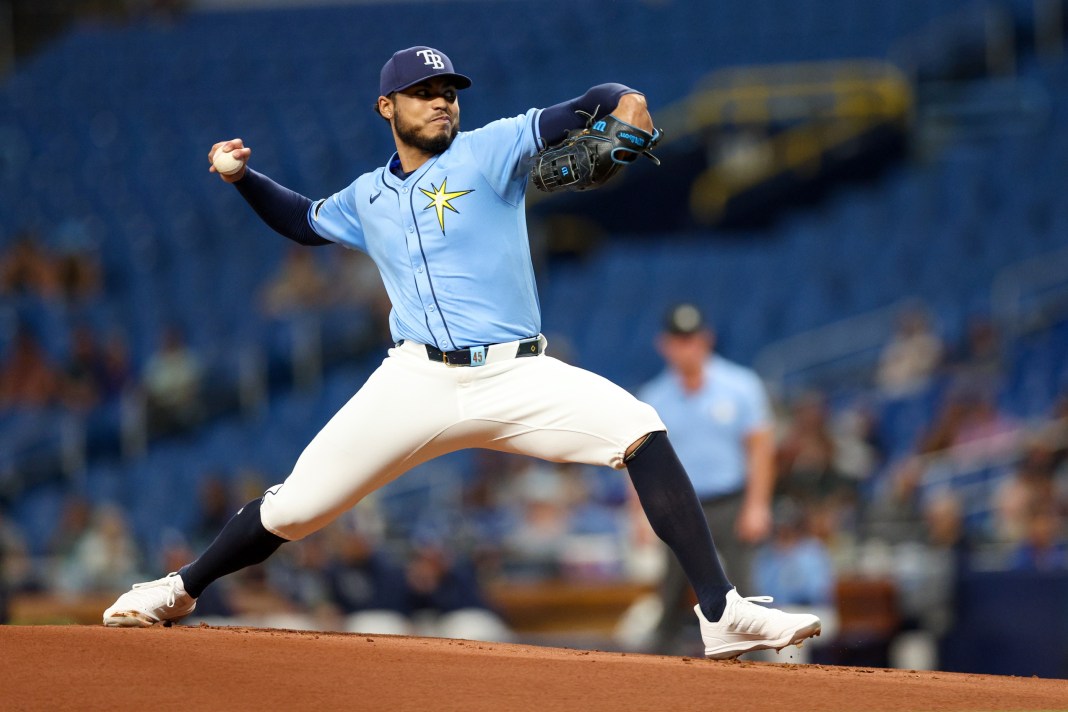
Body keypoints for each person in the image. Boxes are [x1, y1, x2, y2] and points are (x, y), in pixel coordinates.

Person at [102, 46, 820, 659]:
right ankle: (179, 588)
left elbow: (601, 100)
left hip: (516, 372)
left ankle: (719, 613)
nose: (442, 102)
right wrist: (241, 179)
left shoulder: (495, 145)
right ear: (387, 106)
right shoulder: (366, 196)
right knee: (296, 509)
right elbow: (304, 222)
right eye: (424, 93)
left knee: (639, 428)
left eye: (448, 92)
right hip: (414, 380)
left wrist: (628, 111)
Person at [636, 303, 777, 652]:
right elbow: (638, 462)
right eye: (679, 340)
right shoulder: (654, 397)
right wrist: (638, 513)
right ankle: (657, 669)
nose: (687, 348)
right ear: (664, 345)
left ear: (706, 340)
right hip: (677, 505)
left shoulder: (740, 385)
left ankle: (761, 672)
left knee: (745, 586)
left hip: (731, 500)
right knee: (670, 590)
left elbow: (760, 450)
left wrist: (758, 505)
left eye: (692, 339)